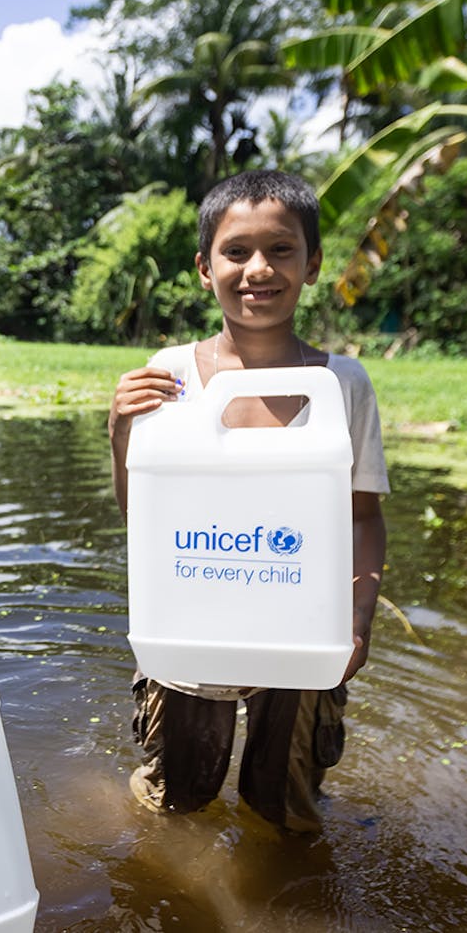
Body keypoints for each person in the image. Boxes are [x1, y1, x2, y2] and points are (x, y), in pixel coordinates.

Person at [108, 170, 389, 833]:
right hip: (191, 621)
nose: (258, 269)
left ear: (313, 263)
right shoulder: (168, 376)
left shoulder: (342, 384)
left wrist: (360, 618)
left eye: (281, 250)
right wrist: (120, 429)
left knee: (286, 807)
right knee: (176, 800)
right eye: (236, 252)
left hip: (302, 630)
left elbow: (364, 516)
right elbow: (142, 521)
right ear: (205, 269)